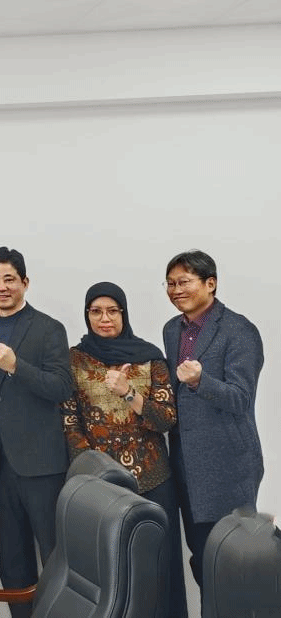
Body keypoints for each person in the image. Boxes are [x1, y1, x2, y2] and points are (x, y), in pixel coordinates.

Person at [61, 281, 184, 618]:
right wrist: (93, 475)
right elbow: (71, 423)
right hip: (102, 487)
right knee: (112, 572)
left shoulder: (150, 357)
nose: (105, 319)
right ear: (87, 315)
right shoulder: (74, 360)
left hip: (153, 480)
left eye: (113, 311)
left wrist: (129, 392)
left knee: (158, 566)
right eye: (96, 311)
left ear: (124, 314)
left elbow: (166, 419)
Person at [0, 247, 74, 618]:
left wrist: (18, 367)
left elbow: (62, 387)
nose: (1, 287)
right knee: (12, 559)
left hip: (42, 464)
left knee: (54, 555)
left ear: (25, 282)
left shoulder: (49, 328)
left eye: (9, 279)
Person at [161, 250, 264, 589]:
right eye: (170, 283)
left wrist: (200, 381)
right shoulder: (172, 329)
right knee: (201, 558)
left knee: (231, 562)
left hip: (227, 466)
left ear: (211, 283)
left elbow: (241, 398)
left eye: (184, 282)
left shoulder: (239, 330)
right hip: (186, 464)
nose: (176, 290)